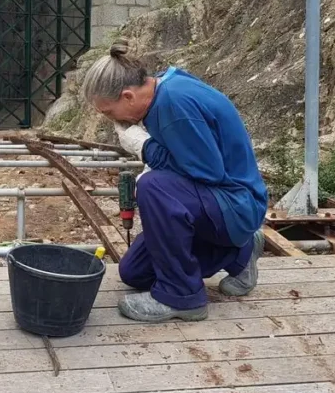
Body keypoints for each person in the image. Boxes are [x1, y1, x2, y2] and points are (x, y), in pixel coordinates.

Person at [81, 42, 268, 323]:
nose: (113, 120)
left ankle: (182, 296)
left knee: (153, 187)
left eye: (109, 112)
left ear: (128, 96)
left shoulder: (174, 106)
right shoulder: (165, 87)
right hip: (220, 202)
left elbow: (208, 173)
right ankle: (239, 252)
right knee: (134, 272)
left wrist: (146, 148)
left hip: (235, 202)